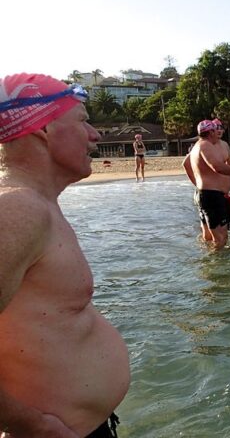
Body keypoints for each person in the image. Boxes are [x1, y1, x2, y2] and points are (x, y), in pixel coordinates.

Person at [0, 73, 130, 437]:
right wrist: (33, 424)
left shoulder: (38, 206)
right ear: (43, 129)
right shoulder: (19, 210)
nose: (95, 134)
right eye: (83, 120)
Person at [183, 119, 230, 248]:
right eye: (215, 130)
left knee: (209, 237)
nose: (218, 132)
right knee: (221, 239)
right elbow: (217, 167)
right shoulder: (205, 145)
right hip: (211, 196)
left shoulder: (201, 145)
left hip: (210, 195)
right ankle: (216, 260)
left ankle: (208, 257)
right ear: (210, 132)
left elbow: (224, 166)